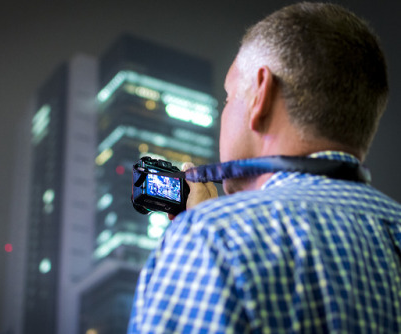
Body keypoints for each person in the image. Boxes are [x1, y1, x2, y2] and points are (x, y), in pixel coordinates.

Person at [128, 2, 401, 333]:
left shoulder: (212, 239)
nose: (223, 115)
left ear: (260, 92)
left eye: (228, 98)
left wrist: (206, 228)